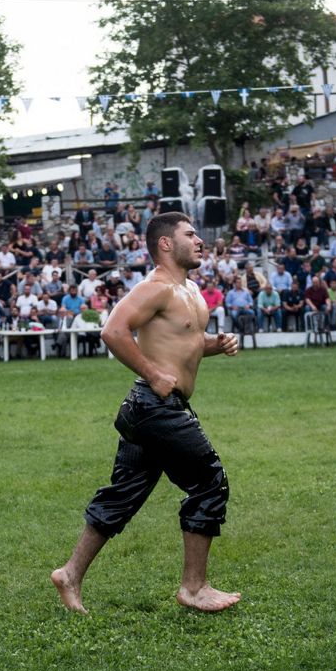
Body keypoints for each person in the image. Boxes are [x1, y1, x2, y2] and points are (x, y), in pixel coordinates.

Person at [50, 212, 240, 614]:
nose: (200, 240)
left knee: (124, 493)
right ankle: (194, 588)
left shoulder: (189, 290)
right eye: (190, 234)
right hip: (155, 407)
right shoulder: (155, 288)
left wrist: (216, 344)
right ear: (166, 243)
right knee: (209, 481)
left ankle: (69, 574)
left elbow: (187, 342)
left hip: (152, 408)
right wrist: (153, 374)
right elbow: (113, 330)